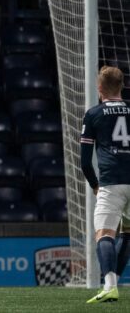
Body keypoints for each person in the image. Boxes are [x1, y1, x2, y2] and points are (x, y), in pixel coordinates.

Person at [81, 66, 130, 303]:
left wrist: (94, 184)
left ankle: (110, 285)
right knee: (128, 235)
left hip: (111, 182)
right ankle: (114, 284)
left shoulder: (93, 114)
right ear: (122, 86)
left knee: (104, 234)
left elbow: (84, 161)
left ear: (99, 88)